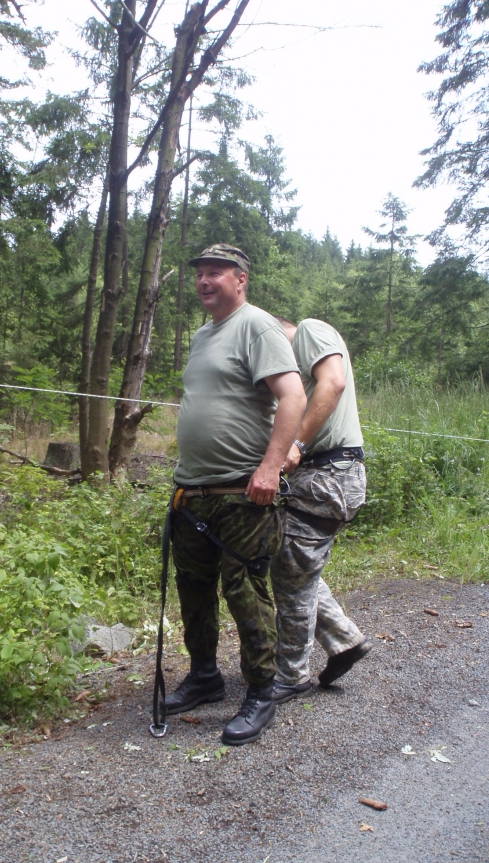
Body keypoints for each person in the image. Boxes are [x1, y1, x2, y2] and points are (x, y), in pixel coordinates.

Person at [163, 244, 307, 745]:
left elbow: (294, 396)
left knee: (245, 590)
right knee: (193, 587)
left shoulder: (258, 326)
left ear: (240, 279)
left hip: (243, 492)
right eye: (199, 273)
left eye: (215, 273)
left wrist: (270, 466)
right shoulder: (203, 335)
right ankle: (204, 676)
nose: (204, 281)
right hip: (193, 492)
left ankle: (261, 691)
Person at [270, 317, 372, 704]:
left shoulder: (309, 331)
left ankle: (291, 676)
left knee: (292, 569)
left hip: (329, 473)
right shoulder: (294, 371)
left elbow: (334, 382)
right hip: (325, 475)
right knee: (296, 565)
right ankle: (344, 640)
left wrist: (295, 444)